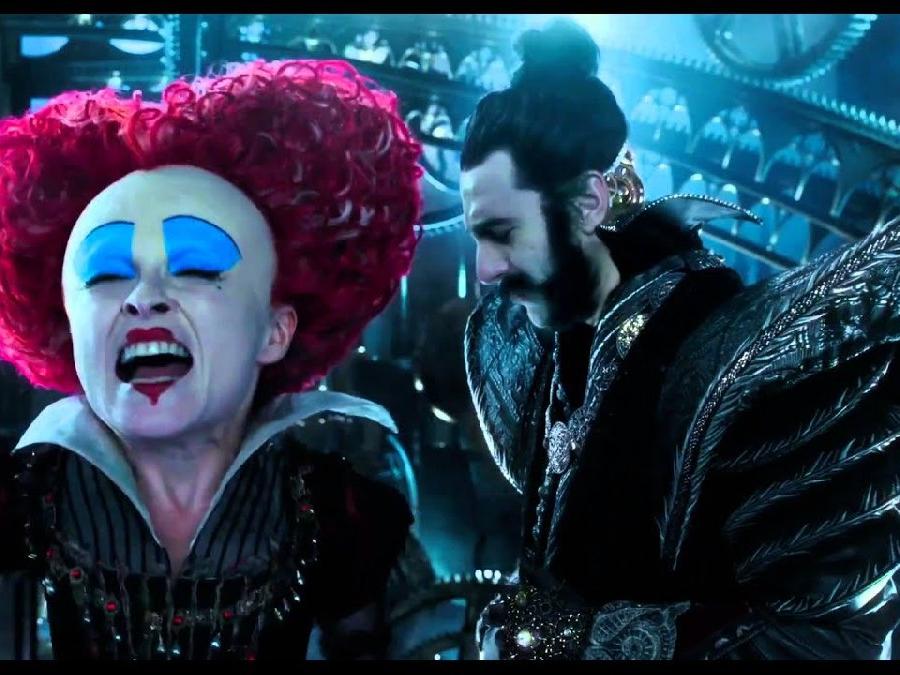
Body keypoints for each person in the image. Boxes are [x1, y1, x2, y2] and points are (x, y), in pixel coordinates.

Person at [461, 19, 900, 660]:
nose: (485, 270)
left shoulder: (722, 356)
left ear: (588, 204)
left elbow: (819, 638)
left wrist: (569, 638)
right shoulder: (552, 347)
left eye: (503, 233)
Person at [0, 59, 423, 660]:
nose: (144, 297)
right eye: (106, 273)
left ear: (275, 331)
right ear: (68, 327)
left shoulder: (343, 514)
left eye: (197, 267)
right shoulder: (26, 497)